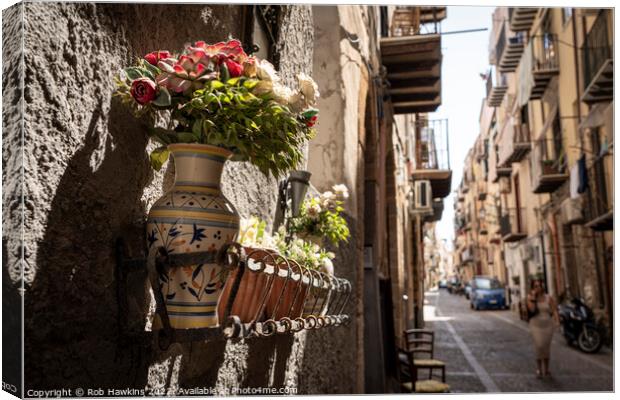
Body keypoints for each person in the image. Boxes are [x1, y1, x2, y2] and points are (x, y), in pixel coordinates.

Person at [527, 279, 560, 378]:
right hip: (535, 324)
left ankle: (546, 369)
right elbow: (532, 309)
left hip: (548, 325)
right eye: (535, 286)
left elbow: (554, 310)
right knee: (539, 346)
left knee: (546, 347)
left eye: (539, 286)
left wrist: (557, 320)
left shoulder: (548, 298)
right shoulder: (529, 297)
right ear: (533, 288)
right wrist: (533, 297)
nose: (538, 288)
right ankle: (539, 369)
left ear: (542, 287)